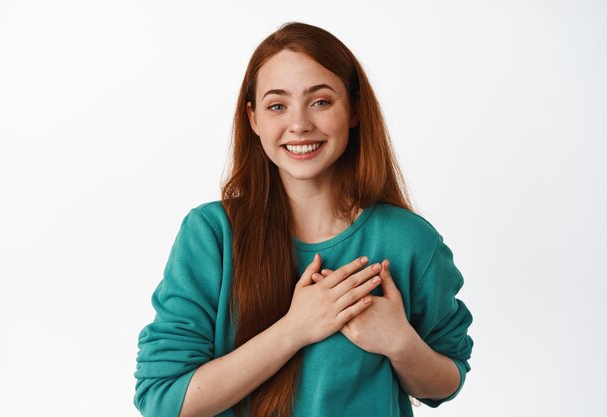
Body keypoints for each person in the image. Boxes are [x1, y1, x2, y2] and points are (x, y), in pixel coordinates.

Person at [134, 22, 474, 417]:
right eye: (277, 105)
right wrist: (297, 327)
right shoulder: (211, 235)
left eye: (321, 101)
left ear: (354, 109)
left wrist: (400, 343)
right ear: (254, 118)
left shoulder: (411, 241)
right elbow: (163, 401)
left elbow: (446, 382)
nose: (299, 124)